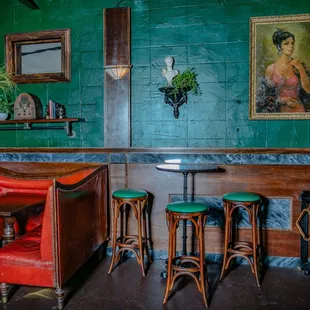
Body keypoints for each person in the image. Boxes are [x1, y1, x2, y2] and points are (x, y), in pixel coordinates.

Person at [257, 29, 310, 113]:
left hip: (299, 110)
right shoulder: (271, 69)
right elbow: (264, 96)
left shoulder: (300, 65)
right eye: (286, 43)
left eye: (292, 43)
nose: (291, 46)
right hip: (279, 111)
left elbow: (308, 90)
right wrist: (283, 100)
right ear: (279, 46)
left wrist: (300, 68)